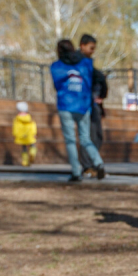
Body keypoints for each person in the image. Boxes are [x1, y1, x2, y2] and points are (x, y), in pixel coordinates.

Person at [50, 38, 106, 183]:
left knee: (70, 141)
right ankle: (99, 162)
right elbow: (98, 78)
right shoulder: (86, 63)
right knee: (85, 138)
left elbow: (57, 86)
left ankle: (76, 172)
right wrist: (100, 95)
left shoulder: (56, 66)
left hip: (66, 105)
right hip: (83, 105)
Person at [77, 34, 109, 170]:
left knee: (97, 135)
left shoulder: (88, 62)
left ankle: (93, 163)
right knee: (88, 136)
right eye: (91, 48)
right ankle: (87, 165)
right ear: (82, 46)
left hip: (93, 103)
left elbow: (99, 78)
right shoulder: (77, 61)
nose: (92, 51)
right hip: (83, 104)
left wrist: (101, 96)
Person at [13, 101, 37, 166]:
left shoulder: (17, 118)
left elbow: (15, 127)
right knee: (32, 145)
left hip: (21, 135)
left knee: (24, 147)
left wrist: (15, 134)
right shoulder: (29, 117)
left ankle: (25, 161)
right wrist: (34, 133)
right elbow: (33, 125)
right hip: (29, 134)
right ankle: (32, 153)